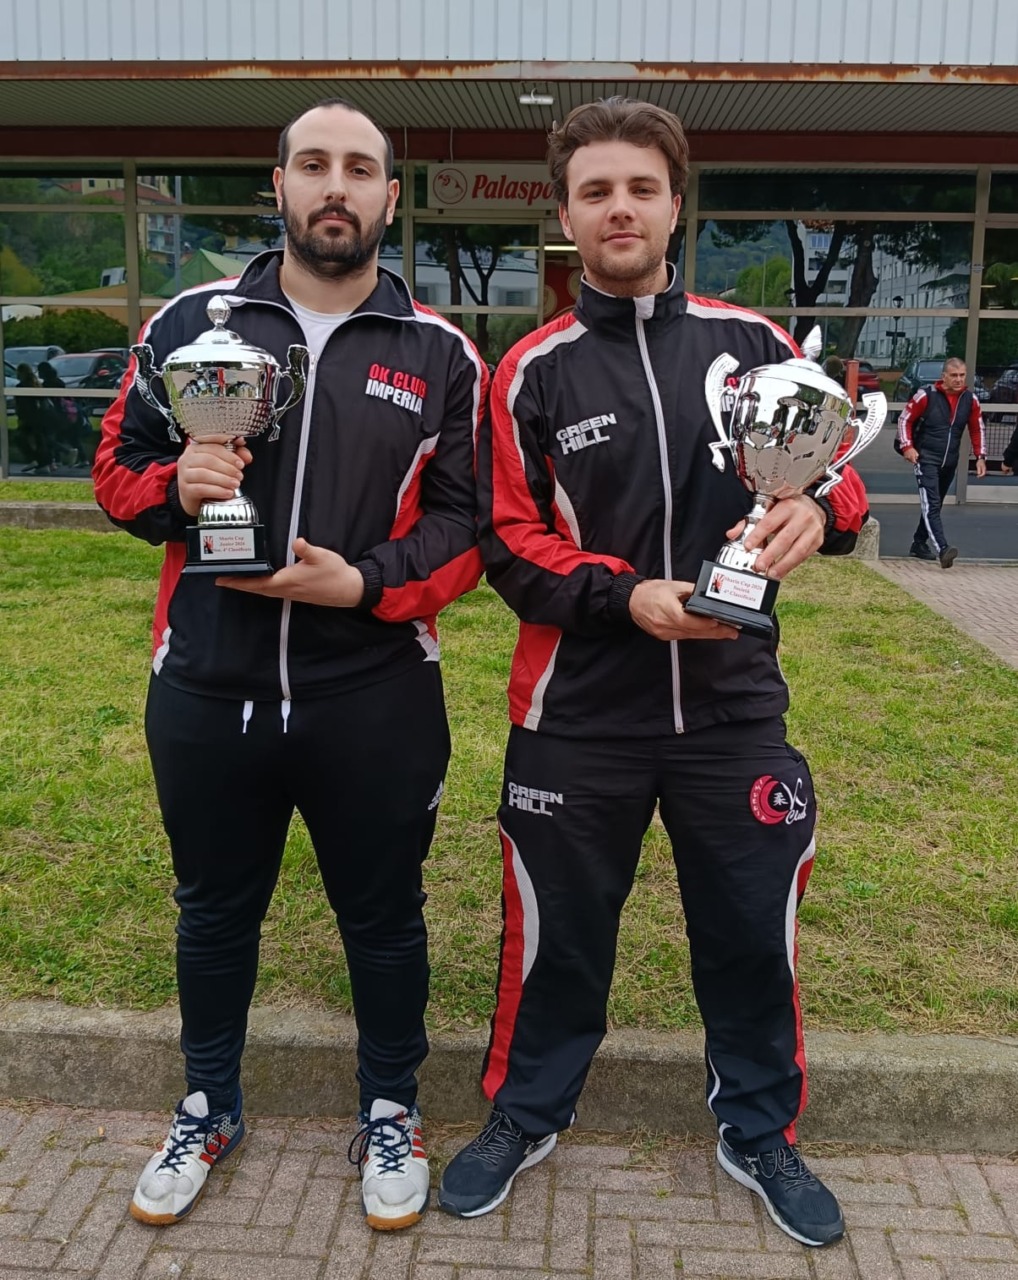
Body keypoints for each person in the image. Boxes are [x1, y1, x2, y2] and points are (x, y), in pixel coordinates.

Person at [437, 97, 869, 1250]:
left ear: (676, 204)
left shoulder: (753, 344)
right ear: (565, 213)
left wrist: (821, 511)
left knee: (751, 929)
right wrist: (622, 595)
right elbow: (506, 539)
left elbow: (835, 471)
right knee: (555, 933)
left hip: (733, 708)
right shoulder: (528, 371)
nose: (618, 208)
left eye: (639, 187)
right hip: (577, 712)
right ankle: (525, 1110)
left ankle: (759, 1128)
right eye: (594, 191)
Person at [93, 96, 487, 1231]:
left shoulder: (441, 353)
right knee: (214, 911)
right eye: (313, 164)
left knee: (385, 915)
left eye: (359, 169)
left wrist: (362, 583)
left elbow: (469, 525)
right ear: (278, 186)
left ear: (390, 198)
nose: (335, 187)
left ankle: (391, 1107)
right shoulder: (191, 322)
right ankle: (208, 1103)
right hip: (207, 683)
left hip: (374, 690)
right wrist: (176, 488)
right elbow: (116, 467)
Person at [896, 357, 987, 566]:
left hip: (949, 461)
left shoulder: (970, 400)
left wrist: (980, 456)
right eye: (954, 375)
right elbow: (904, 419)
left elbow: (977, 428)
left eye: (962, 375)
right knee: (932, 503)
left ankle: (919, 543)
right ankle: (943, 549)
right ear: (943, 376)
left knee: (934, 504)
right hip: (926, 458)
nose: (958, 379)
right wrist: (907, 446)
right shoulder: (926, 395)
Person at [14, 362, 60, 472]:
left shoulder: (21, 387)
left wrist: (21, 417)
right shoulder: (36, 384)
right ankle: (46, 463)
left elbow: (22, 405)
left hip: (28, 418)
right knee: (41, 441)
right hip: (39, 417)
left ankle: (35, 460)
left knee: (21, 438)